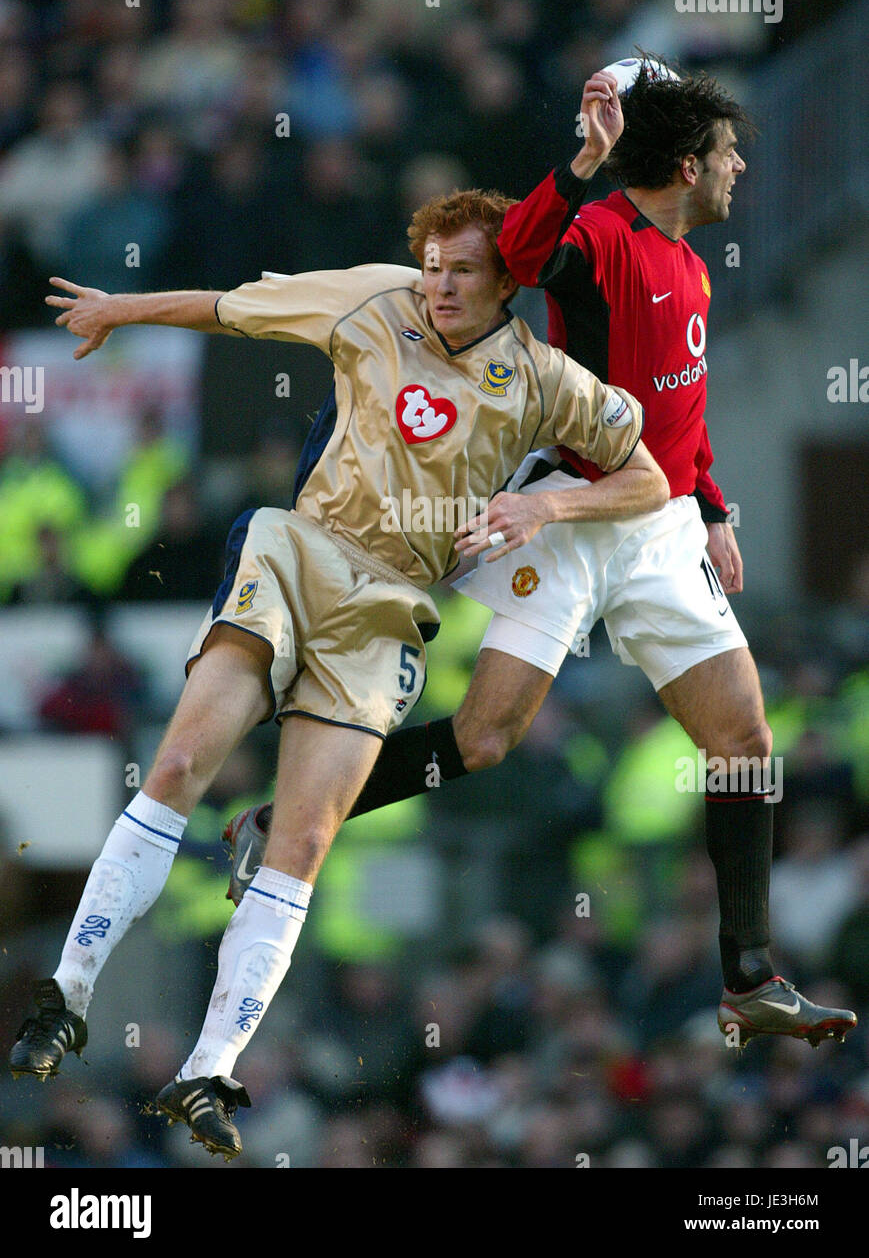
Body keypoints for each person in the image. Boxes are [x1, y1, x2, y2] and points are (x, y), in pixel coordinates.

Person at [9, 188, 668, 1159]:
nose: (439, 284)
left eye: (462, 270)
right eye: (433, 264)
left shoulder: (546, 381)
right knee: (183, 757)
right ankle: (65, 993)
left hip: (388, 608)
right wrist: (120, 308)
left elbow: (647, 474)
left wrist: (545, 512)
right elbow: (233, 305)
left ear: (507, 280)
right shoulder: (374, 297)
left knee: (304, 840)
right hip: (296, 553)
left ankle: (204, 1069)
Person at [226, 62, 857, 1052]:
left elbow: (673, 417)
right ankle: (276, 820)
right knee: (482, 741)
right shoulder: (604, 231)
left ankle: (747, 976)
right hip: (560, 517)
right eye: (730, 153)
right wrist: (582, 161)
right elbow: (517, 248)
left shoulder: (691, 266)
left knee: (741, 741)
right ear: (687, 164)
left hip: (650, 526)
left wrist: (711, 504)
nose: (741, 168)